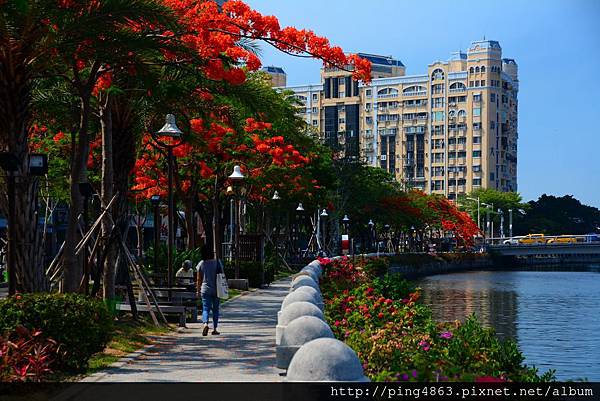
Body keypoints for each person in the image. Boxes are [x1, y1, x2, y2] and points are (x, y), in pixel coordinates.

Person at [195, 246, 223, 336]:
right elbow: (222, 275)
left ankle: (205, 324)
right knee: (215, 310)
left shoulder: (201, 263)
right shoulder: (217, 262)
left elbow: (198, 279)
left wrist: (198, 291)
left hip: (205, 289)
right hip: (217, 289)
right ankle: (215, 328)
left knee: (205, 309)